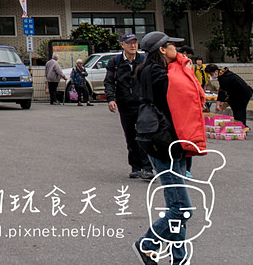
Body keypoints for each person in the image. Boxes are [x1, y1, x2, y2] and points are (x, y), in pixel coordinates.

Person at [134, 30, 205, 265]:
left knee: (175, 205)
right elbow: (184, 97)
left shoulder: (147, 70)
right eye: (172, 46)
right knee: (182, 208)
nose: (179, 50)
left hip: (159, 141)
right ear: (162, 50)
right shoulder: (159, 73)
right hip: (165, 143)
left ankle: (179, 258)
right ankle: (147, 244)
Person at [105, 33, 152, 181]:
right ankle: (135, 167)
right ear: (122, 45)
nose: (133, 45)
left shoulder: (144, 60)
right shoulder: (116, 62)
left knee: (144, 135)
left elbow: (151, 80)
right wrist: (111, 99)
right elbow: (109, 82)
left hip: (142, 104)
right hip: (125, 105)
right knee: (131, 136)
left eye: (135, 43)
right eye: (129, 43)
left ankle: (148, 168)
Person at [206, 63, 251, 132]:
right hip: (239, 93)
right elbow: (222, 90)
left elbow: (223, 91)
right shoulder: (224, 74)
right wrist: (219, 103)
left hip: (242, 94)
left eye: (211, 74)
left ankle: (241, 127)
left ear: (216, 71)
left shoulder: (224, 78)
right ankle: (241, 125)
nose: (212, 76)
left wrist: (220, 104)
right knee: (236, 108)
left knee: (238, 109)